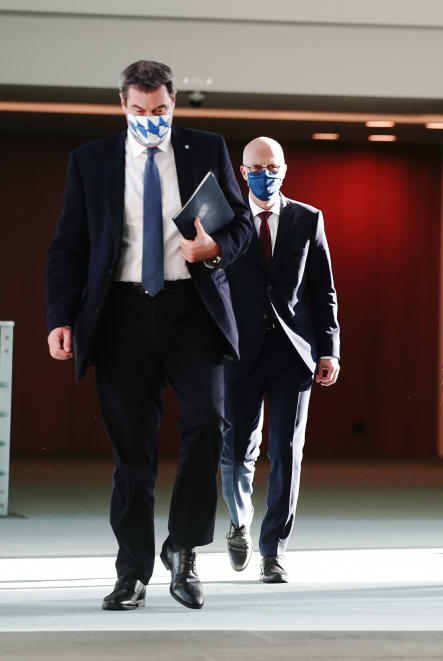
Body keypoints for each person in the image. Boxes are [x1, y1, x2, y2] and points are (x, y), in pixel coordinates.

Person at [45, 60, 254, 611]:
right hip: (120, 315)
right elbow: (68, 246)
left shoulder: (207, 148)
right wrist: (60, 318)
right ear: (122, 105)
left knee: (207, 426)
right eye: (138, 111)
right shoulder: (90, 162)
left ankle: (183, 552)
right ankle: (132, 570)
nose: (149, 120)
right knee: (131, 452)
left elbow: (243, 225)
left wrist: (215, 249)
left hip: (193, 310)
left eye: (159, 110)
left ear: (173, 103)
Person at [220, 137, 340, 583]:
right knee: (236, 448)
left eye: (271, 166)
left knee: (287, 452)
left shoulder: (308, 219)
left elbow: (323, 290)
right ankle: (240, 520)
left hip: (294, 352)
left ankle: (274, 551)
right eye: (255, 166)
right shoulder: (227, 220)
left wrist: (330, 349)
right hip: (238, 350)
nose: (263, 174)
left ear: (284, 169)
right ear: (242, 169)